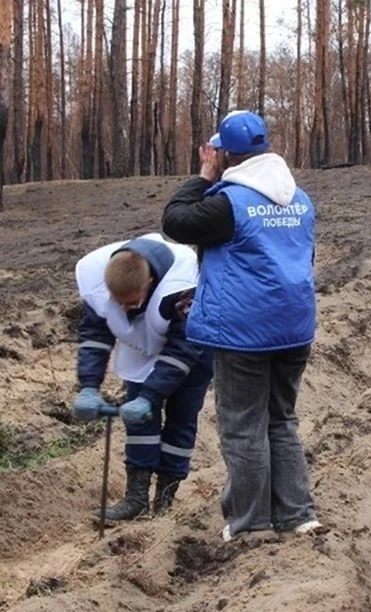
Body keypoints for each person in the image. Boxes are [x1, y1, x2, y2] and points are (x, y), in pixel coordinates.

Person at [161, 110, 322, 542]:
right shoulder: (301, 200)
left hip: (244, 332)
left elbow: (174, 220)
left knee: (242, 425)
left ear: (225, 154)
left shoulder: (227, 204)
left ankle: (251, 523)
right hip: (294, 328)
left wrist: (202, 173)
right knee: (281, 419)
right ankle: (298, 514)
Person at [73, 234, 213, 523]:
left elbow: (182, 348)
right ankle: (136, 499)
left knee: (181, 418)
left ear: (149, 284)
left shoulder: (185, 286)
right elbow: (95, 335)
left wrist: (151, 396)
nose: (123, 309)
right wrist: (88, 386)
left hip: (191, 349)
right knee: (139, 421)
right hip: (142, 345)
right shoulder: (99, 276)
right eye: (117, 303)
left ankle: (165, 499)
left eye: (131, 302)